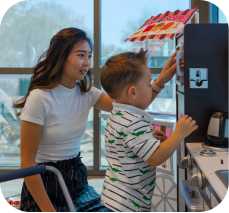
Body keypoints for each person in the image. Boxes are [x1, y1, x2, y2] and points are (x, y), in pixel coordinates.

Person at [15, 27, 113, 212]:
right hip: (44, 182)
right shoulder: (40, 98)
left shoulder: (87, 93)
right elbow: (27, 164)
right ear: (61, 56)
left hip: (76, 176)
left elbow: (127, 105)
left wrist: (162, 79)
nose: (87, 63)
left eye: (89, 56)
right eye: (81, 55)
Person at [100, 49, 198, 212]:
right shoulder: (133, 122)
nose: (150, 85)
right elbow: (155, 158)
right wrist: (179, 133)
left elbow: (128, 142)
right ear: (132, 92)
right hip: (128, 205)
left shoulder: (119, 112)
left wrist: (148, 138)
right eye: (148, 83)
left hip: (114, 198)